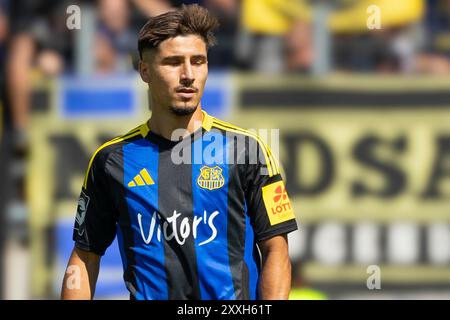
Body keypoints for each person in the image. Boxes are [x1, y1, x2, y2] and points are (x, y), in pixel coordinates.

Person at [61, 4, 298, 300]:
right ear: (145, 71)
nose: (188, 74)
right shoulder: (111, 160)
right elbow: (84, 257)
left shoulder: (247, 149)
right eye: (173, 63)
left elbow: (276, 248)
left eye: (198, 61)